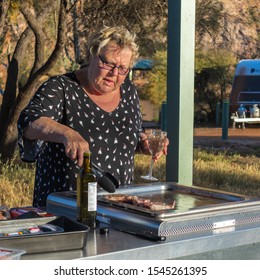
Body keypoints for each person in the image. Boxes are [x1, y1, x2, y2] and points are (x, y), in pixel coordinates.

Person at [17, 25, 168, 207]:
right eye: (108, 64)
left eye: (122, 68)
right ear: (92, 55)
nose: (114, 73)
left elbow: (123, 138)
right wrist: (67, 134)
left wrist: (142, 143)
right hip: (66, 207)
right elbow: (29, 122)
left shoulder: (128, 91)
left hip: (118, 206)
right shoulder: (61, 87)